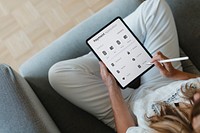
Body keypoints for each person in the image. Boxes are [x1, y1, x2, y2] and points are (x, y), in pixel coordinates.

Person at [48, 0, 200, 132]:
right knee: (154, 7)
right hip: (165, 80)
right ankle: (112, 50)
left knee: (58, 74)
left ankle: (107, 54)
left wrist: (111, 85)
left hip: (129, 110)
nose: (197, 96)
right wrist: (174, 74)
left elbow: (127, 130)